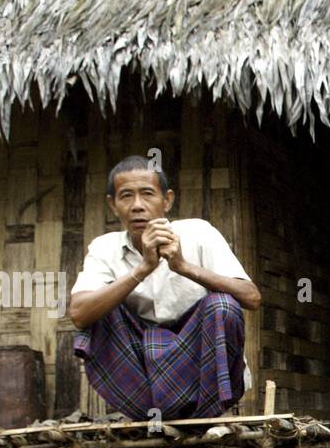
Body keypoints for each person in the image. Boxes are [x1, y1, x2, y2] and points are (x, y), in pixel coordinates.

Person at [69, 155, 261, 420]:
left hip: (197, 368)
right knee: (97, 309)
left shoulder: (199, 232)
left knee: (222, 305)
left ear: (167, 200)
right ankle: (147, 411)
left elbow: (251, 297)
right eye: (126, 196)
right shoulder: (104, 247)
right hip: (141, 371)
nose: (137, 206)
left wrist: (183, 266)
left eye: (147, 194)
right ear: (112, 205)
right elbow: (78, 314)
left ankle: (214, 412)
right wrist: (143, 268)